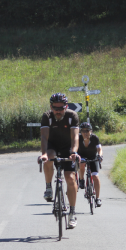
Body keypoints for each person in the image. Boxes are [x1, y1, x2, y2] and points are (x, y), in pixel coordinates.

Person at [38, 93, 80, 229]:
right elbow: (44, 137)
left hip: (68, 147)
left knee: (70, 178)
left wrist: (74, 152)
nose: (58, 111)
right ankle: (49, 187)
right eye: (55, 108)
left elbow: (75, 138)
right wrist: (44, 154)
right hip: (53, 146)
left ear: (66, 107)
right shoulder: (47, 116)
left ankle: (72, 213)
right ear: (51, 107)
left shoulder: (72, 116)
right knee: (48, 158)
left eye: (61, 108)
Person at [77, 122, 103, 207]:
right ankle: (81, 180)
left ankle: (98, 198)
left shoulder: (95, 138)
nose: (85, 133)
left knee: (95, 177)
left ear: (90, 131)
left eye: (87, 131)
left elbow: (99, 149)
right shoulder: (78, 138)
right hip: (81, 156)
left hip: (93, 157)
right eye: (83, 131)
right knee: (81, 164)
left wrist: (100, 156)